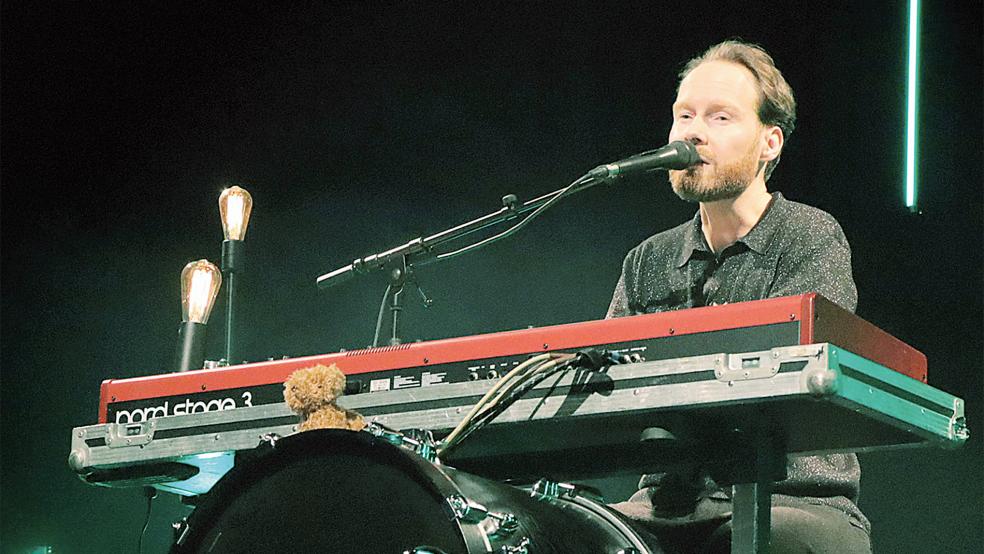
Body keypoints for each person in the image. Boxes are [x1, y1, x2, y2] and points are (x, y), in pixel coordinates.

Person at [606, 40, 872, 553]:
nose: (692, 131)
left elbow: (790, 384)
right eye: (684, 115)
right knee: (571, 532)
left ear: (770, 143)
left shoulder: (809, 237)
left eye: (720, 117)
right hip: (664, 506)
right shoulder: (645, 260)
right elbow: (613, 394)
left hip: (795, 502)